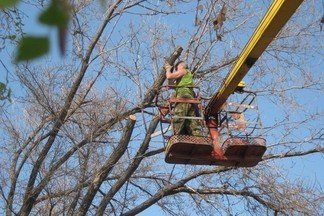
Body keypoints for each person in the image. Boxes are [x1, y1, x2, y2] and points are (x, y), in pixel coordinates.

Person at [164, 60, 202, 136]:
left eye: (176, 69)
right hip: (190, 100)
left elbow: (169, 76)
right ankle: (197, 138)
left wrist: (168, 70)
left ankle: (177, 137)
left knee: (178, 117)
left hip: (183, 97)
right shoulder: (185, 78)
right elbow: (171, 85)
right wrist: (170, 74)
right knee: (191, 121)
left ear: (181, 65)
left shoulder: (184, 70)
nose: (177, 71)